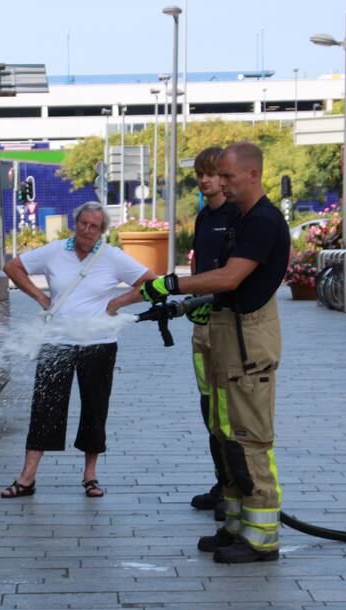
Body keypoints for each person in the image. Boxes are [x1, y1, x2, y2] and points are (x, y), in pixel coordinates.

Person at [111, 142, 289, 564]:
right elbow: (219, 284)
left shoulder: (263, 220)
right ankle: (234, 523)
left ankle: (261, 539)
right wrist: (184, 303)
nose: (220, 184)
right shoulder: (239, 219)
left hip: (248, 341)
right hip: (227, 334)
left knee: (248, 437)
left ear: (251, 175)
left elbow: (229, 278)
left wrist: (170, 285)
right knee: (225, 429)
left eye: (227, 177)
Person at [0, 201, 157, 499]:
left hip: (98, 344)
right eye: (83, 223)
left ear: (102, 231)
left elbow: (151, 282)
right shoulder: (55, 251)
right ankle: (27, 477)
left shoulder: (112, 257)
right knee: (45, 407)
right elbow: (12, 267)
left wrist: (118, 303)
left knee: (95, 409)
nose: (86, 230)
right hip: (57, 340)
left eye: (93, 226)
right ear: (76, 223)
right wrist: (41, 298)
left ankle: (90, 476)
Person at [186, 146, 240, 520]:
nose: (205, 180)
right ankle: (221, 482)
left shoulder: (237, 216)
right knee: (208, 407)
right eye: (200, 174)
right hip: (201, 325)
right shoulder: (204, 217)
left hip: (225, 324)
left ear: (226, 177)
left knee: (226, 412)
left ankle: (234, 489)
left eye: (211, 174)